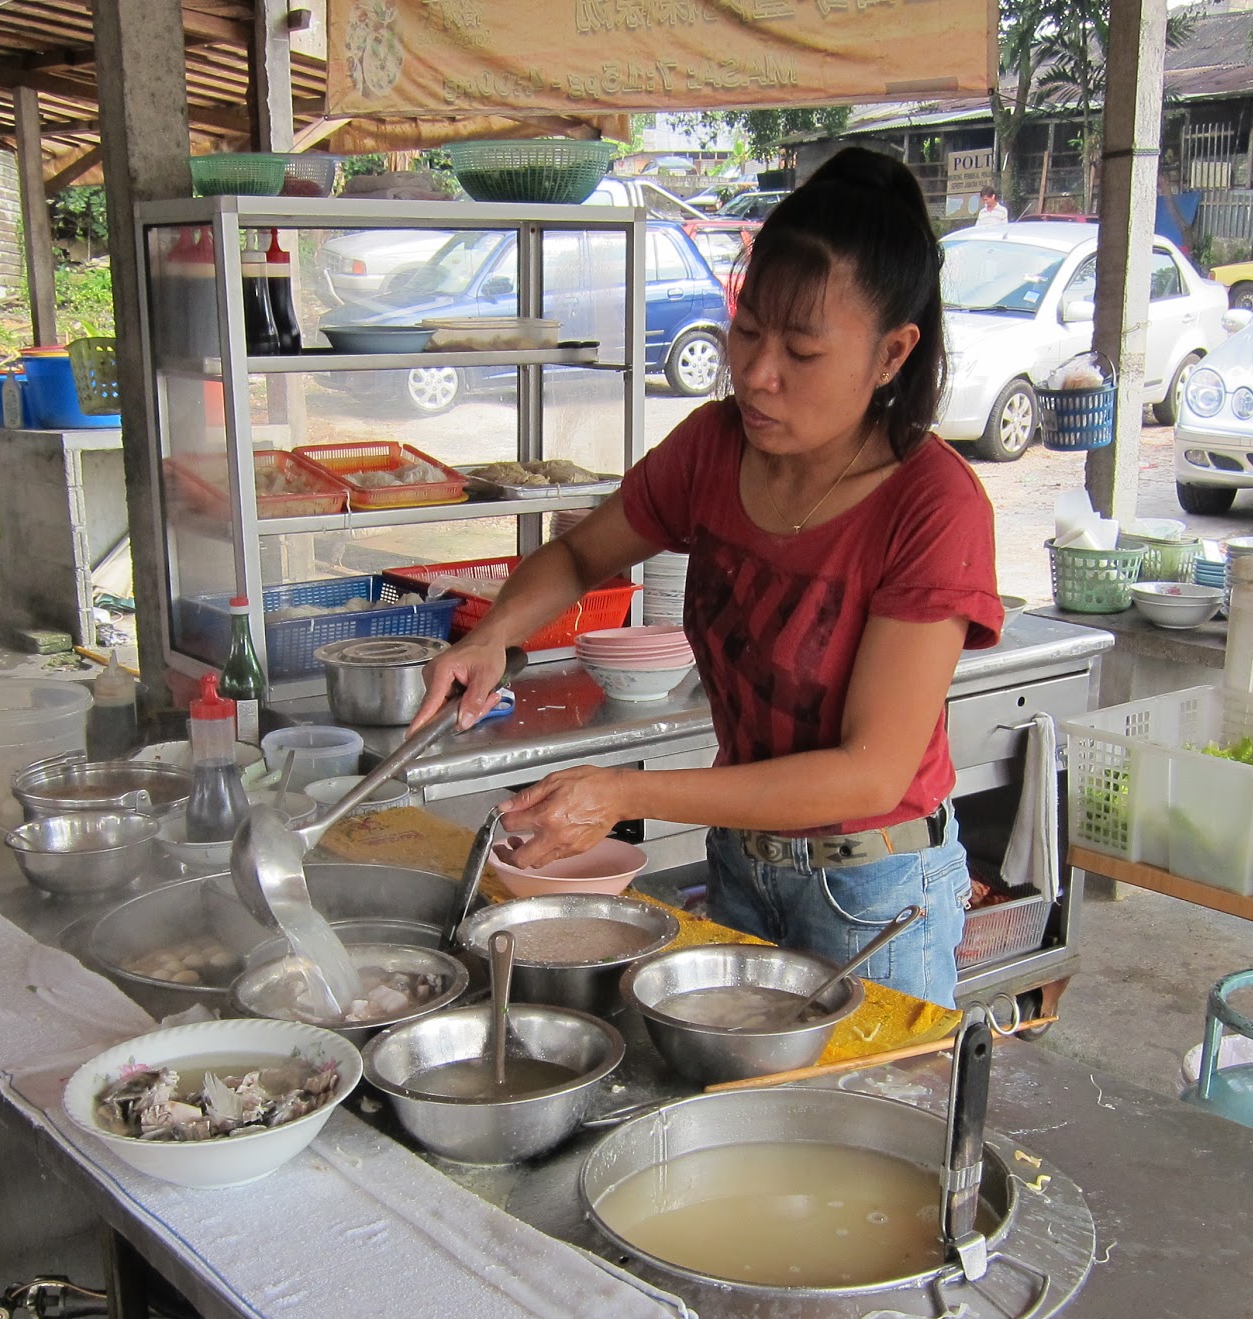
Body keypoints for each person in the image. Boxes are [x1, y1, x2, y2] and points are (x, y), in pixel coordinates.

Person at [409, 149, 1003, 1008]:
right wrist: (494, 634)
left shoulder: (933, 507)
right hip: (743, 863)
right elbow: (579, 555)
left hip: (874, 895)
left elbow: (868, 774)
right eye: (748, 330)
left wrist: (621, 793)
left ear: (891, 354)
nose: (757, 373)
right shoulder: (714, 447)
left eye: (800, 351)